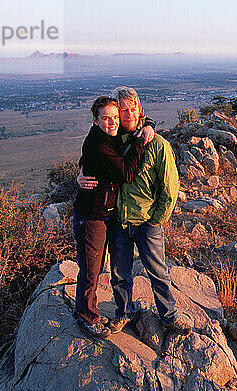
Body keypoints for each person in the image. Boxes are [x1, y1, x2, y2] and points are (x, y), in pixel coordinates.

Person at [78, 86, 191, 335]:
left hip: (146, 221)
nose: (127, 115)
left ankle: (169, 315)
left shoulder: (158, 144)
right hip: (118, 220)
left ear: (140, 110)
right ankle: (123, 313)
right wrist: (80, 173)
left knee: (158, 272)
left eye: (132, 110)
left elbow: (170, 188)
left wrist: (156, 220)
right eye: (122, 111)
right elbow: (92, 149)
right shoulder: (114, 139)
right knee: (120, 274)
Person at [73, 95, 154, 339]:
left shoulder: (108, 136)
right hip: (92, 217)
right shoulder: (99, 144)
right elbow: (127, 172)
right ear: (95, 121)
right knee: (91, 268)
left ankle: (87, 310)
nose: (112, 122)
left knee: (95, 266)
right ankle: (87, 317)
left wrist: (148, 123)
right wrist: (140, 143)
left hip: (104, 215)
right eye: (106, 118)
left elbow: (134, 123)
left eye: (115, 117)